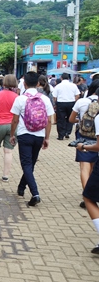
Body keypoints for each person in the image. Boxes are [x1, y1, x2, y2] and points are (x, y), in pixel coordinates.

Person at [9, 71, 55, 206]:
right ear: (38, 83)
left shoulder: (20, 99)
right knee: (31, 164)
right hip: (39, 136)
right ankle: (21, 187)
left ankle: (35, 194)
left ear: (24, 83)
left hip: (24, 135)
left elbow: (15, 120)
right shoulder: (45, 99)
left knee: (27, 165)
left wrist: (12, 135)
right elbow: (49, 121)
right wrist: (47, 138)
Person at [69, 81, 99, 209]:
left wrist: (81, 121)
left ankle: (87, 195)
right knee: (93, 167)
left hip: (84, 137)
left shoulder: (82, 102)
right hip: (96, 139)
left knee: (84, 167)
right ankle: (91, 191)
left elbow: (71, 119)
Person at [53, 73, 80, 140]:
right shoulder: (73, 85)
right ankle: (67, 132)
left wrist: (55, 103)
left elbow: (54, 97)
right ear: (68, 78)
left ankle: (61, 135)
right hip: (71, 103)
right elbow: (77, 95)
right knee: (70, 118)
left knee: (60, 119)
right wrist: (74, 101)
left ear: (61, 78)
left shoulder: (58, 86)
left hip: (61, 103)